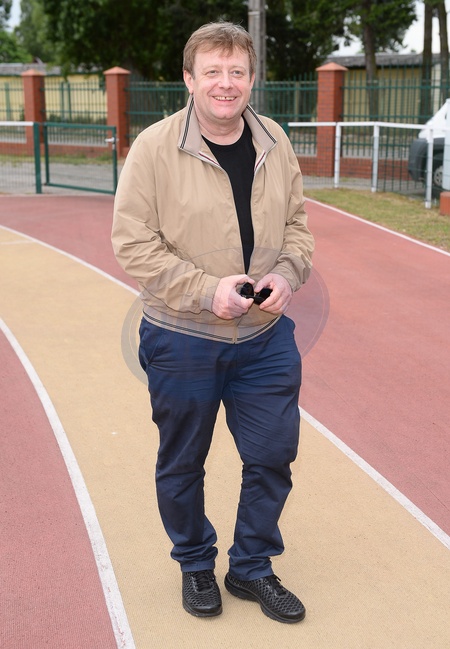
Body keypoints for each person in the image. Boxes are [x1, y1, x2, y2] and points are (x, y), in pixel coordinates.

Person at [112, 21, 314, 624]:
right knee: (183, 462)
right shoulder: (154, 147)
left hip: (264, 337)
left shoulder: (275, 140)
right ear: (189, 79)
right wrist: (206, 291)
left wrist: (287, 273)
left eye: (237, 71)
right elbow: (132, 242)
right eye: (212, 72)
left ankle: (251, 567)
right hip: (182, 337)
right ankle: (195, 562)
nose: (226, 84)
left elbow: (297, 226)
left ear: (252, 78)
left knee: (273, 454)